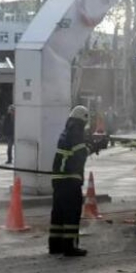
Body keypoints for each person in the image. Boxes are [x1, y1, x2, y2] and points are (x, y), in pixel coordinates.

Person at [49, 105, 90, 257]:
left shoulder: (65, 132)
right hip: (70, 180)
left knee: (58, 214)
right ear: (83, 120)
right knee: (71, 214)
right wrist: (91, 147)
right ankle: (70, 247)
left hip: (58, 180)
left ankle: (55, 245)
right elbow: (80, 155)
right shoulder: (77, 132)